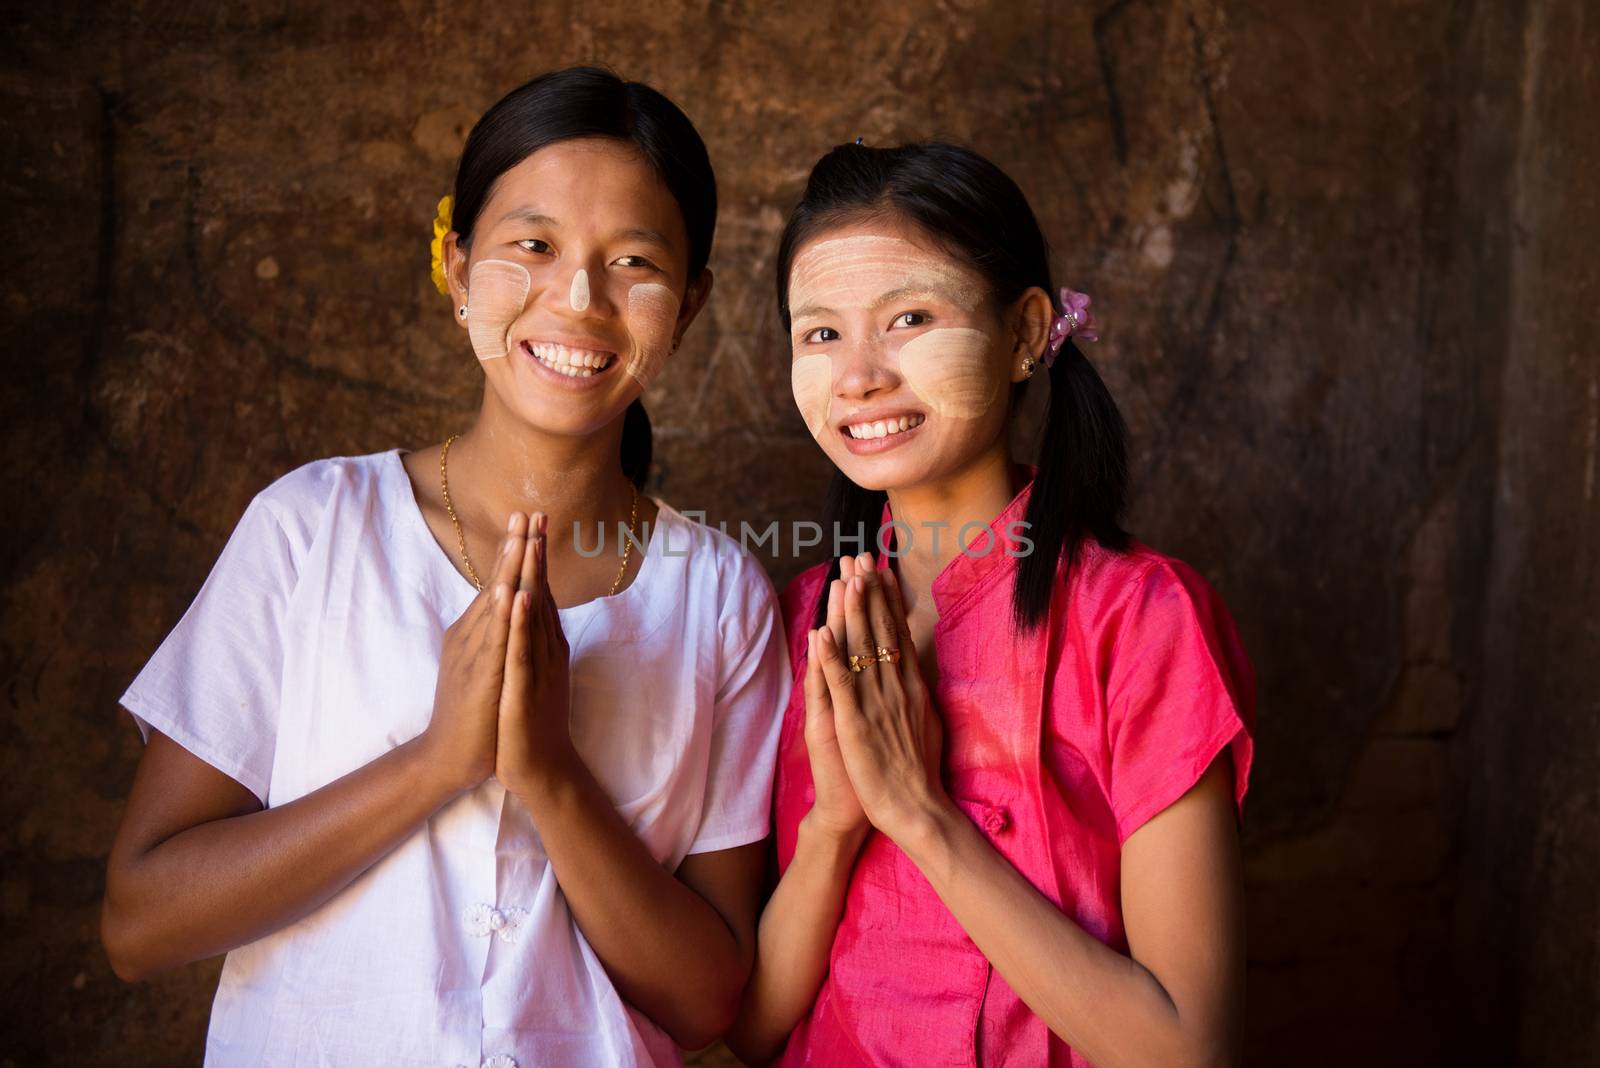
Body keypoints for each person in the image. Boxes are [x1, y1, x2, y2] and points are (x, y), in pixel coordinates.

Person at [101, 66, 789, 1068]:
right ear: (457, 266)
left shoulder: (720, 595)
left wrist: (548, 777)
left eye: (633, 262)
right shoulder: (314, 528)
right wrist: (435, 763)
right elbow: (139, 923)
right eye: (533, 246)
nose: (580, 298)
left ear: (686, 307)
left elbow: (706, 1002)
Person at [726, 141, 1255, 1067]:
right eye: (820, 333)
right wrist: (837, 827)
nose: (858, 375)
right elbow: (756, 1028)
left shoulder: (1139, 621)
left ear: (1023, 335)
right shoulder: (797, 620)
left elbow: (1189, 1050)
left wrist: (919, 815)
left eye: (911, 317)